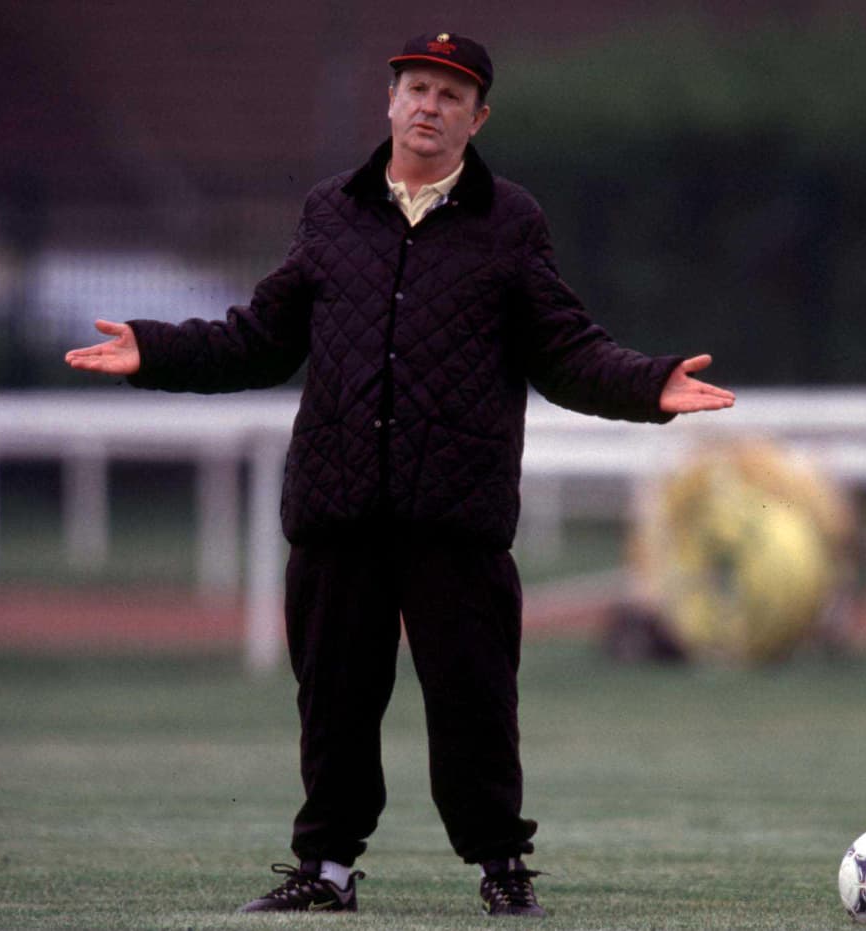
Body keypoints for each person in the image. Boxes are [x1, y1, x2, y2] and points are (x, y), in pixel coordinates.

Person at [66, 31, 734, 918]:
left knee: (476, 701)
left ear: (478, 117)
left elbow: (565, 351)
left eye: (451, 95)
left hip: (455, 513)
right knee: (333, 703)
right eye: (416, 88)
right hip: (338, 508)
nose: (429, 105)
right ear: (389, 101)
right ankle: (326, 872)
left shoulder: (510, 221)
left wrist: (650, 383)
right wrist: (155, 348)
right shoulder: (330, 212)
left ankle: (502, 867)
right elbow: (259, 338)